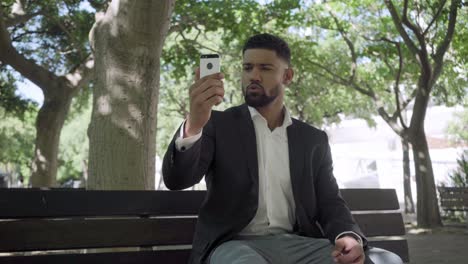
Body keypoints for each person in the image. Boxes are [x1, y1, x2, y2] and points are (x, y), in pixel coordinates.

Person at [162, 33, 403, 264]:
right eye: (248, 68)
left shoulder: (313, 139)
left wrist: (346, 235)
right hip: (234, 245)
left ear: (287, 76)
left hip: (299, 246)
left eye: (265, 68)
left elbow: (329, 201)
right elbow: (177, 179)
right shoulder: (216, 125)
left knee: (388, 260)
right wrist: (194, 124)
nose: (253, 76)